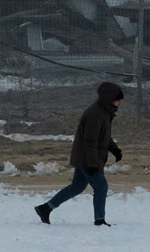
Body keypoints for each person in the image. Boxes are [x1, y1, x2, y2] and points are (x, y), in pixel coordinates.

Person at [35, 80, 125, 226]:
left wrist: (114, 149)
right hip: (87, 158)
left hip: (86, 157)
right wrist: (91, 164)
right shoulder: (95, 114)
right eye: (118, 99)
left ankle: (45, 208)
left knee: (77, 187)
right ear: (108, 98)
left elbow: (103, 135)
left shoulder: (104, 112)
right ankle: (99, 220)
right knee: (101, 186)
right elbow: (90, 141)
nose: (120, 102)